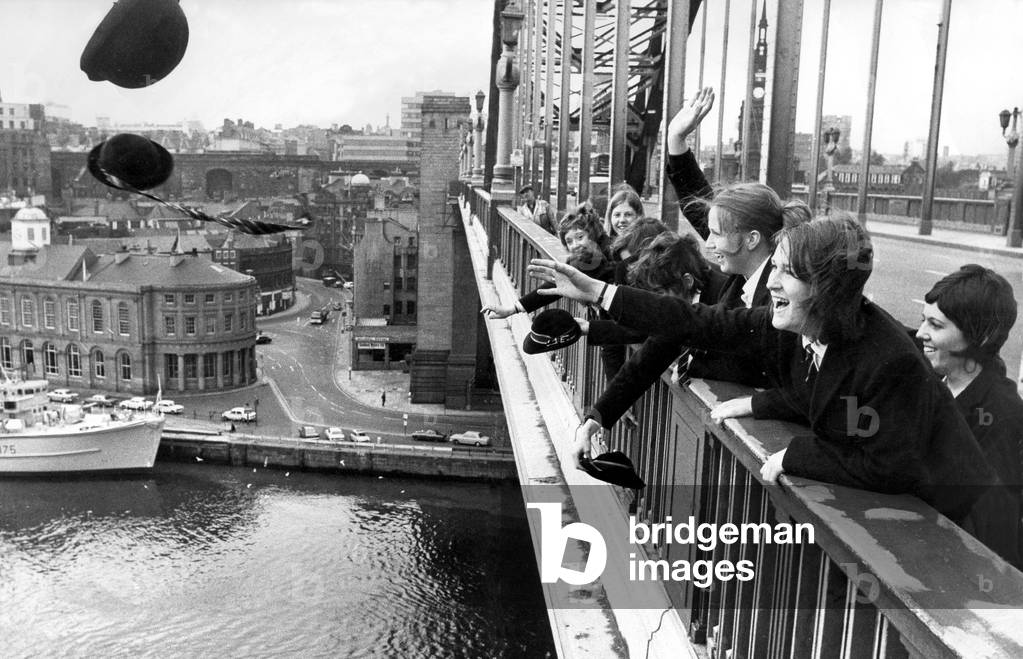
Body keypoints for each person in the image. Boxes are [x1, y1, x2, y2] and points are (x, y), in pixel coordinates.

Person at [527, 215, 996, 523]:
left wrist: (793, 456)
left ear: (825, 288)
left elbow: (888, 468)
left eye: (785, 272)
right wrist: (602, 294)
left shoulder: (887, 361)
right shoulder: (801, 325)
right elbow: (698, 321)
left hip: (970, 528)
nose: (769, 280)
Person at [916, 265, 1022, 567]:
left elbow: (995, 530)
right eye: (923, 321)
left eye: (936, 326)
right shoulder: (937, 381)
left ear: (981, 337)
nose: (921, 333)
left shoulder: (1002, 414)